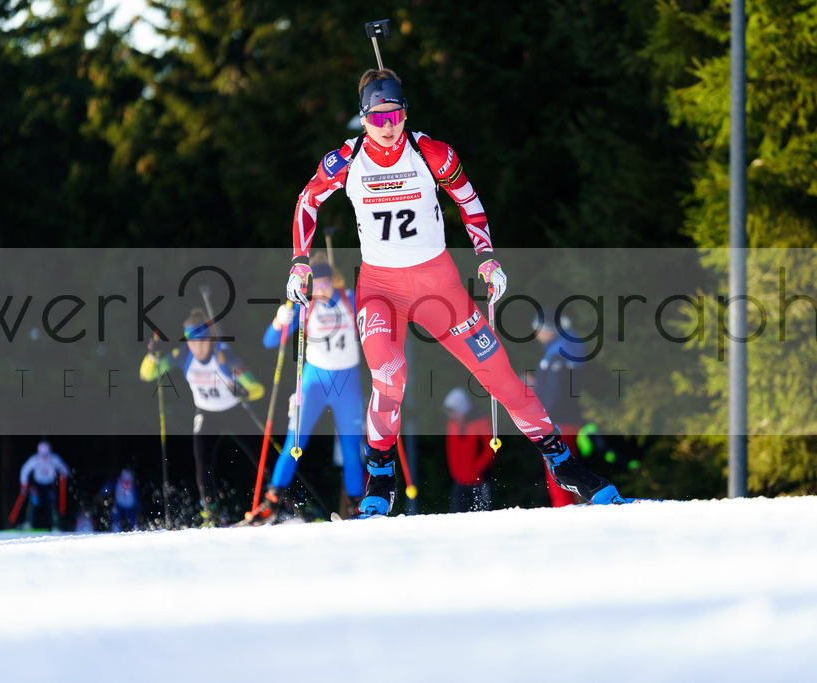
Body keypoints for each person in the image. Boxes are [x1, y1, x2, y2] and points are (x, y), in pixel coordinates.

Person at [286, 68, 627, 516]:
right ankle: (381, 475)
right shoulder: (346, 161)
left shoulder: (432, 153)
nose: (388, 127)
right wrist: (299, 261)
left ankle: (562, 463)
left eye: (395, 115)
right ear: (364, 118)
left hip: (439, 285)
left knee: (499, 374)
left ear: (405, 114)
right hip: (381, 289)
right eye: (378, 117)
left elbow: (469, 202)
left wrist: (486, 257)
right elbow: (307, 200)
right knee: (390, 372)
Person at [255, 252, 365, 522]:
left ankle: (357, 507)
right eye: (316, 285)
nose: (322, 290)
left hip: (346, 383)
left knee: (352, 449)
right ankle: (272, 502)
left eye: (326, 283)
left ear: (334, 280)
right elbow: (270, 341)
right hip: (314, 382)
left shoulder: (350, 300)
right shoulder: (305, 306)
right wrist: (279, 320)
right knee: (295, 442)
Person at [139, 308, 266, 526]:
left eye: (201, 341)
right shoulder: (183, 355)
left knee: (261, 455)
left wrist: (242, 390)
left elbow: (257, 389)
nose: (197, 347)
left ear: (210, 339)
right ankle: (211, 514)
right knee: (201, 460)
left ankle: (290, 504)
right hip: (206, 413)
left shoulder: (224, 356)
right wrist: (153, 355)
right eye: (192, 341)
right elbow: (147, 374)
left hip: (233, 410)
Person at [530, 308, 588, 507]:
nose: (536, 334)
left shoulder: (557, 354)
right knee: (567, 468)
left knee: (558, 469)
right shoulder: (566, 349)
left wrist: (544, 422)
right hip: (569, 420)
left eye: (538, 329)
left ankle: (564, 510)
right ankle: (571, 507)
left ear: (549, 329)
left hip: (560, 422)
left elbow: (556, 393)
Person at [443, 388, 495, 513]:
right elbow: (451, 449)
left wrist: (477, 469)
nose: (452, 415)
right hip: (459, 481)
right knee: (457, 517)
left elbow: (490, 448)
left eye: (454, 411)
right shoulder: (452, 424)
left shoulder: (481, 421)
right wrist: (455, 471)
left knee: (484, 516)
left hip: (479, 480)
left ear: (462, 408)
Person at [18, 440, 70, 530]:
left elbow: (64, 468)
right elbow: (25, 470)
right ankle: (29, 523)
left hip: (49, 485)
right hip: (37, 485)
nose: (44, 457)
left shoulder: (54, 459)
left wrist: (63, 474)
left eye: (46, 454)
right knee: (34, 503)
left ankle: (56, 526)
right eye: (42, 454)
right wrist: (24, 482)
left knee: (52, 505)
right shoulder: (35, 459)